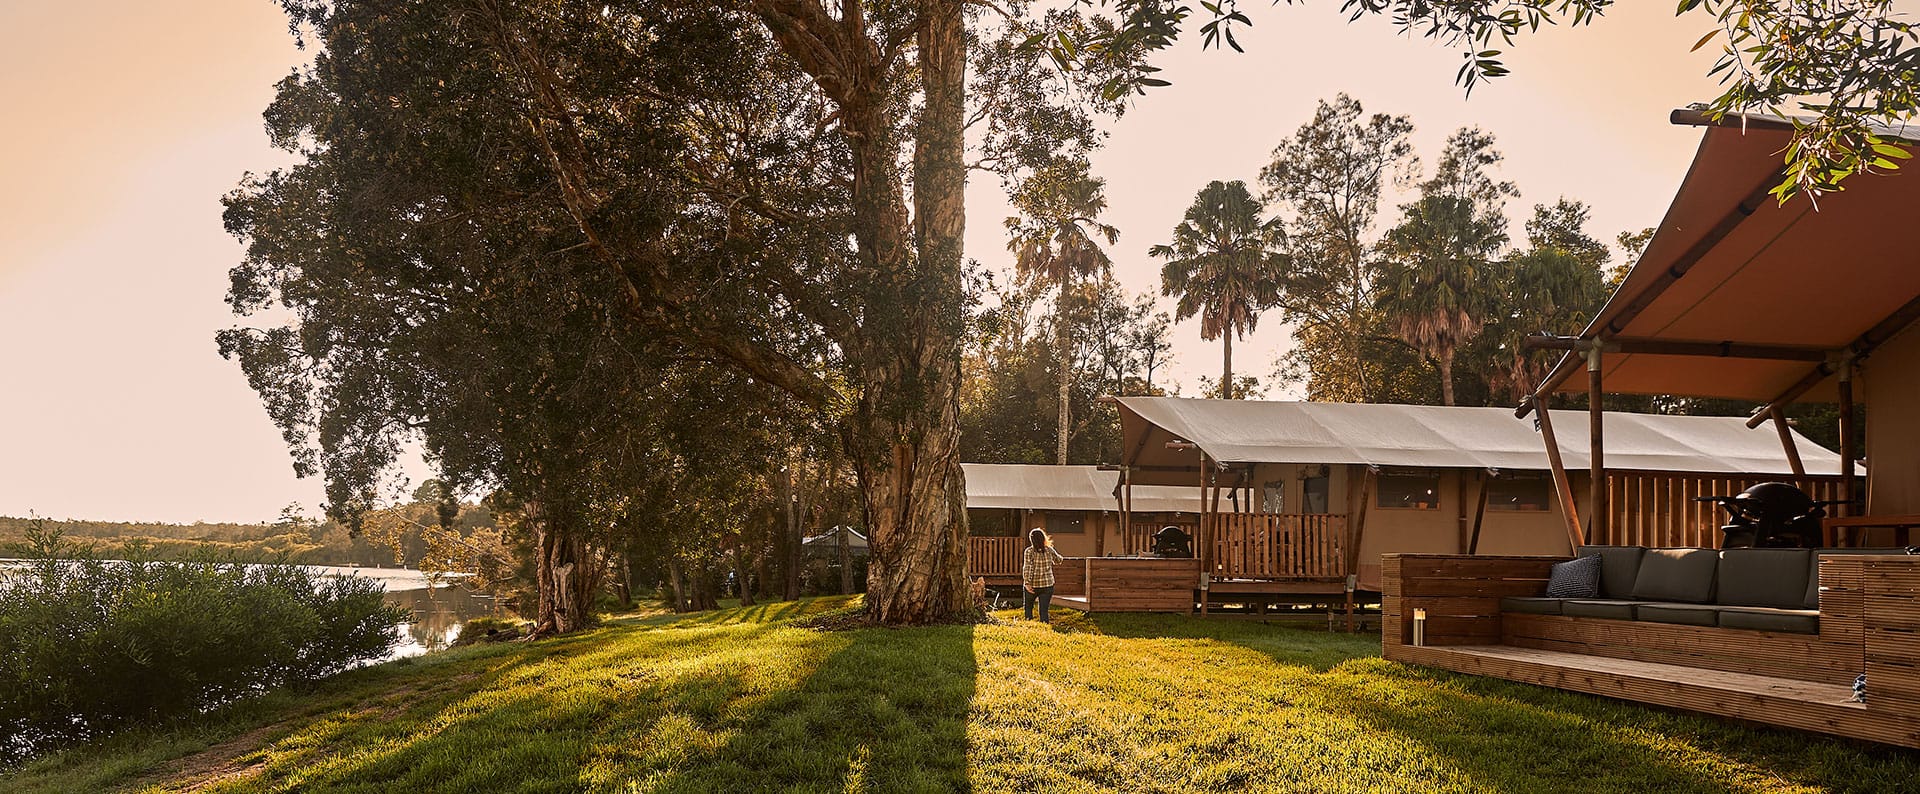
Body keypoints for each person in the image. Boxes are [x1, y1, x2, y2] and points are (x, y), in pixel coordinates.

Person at [1022, 527, 1065, 622]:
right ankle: (1044, 626)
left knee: (1028, 608)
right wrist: (1060, 557)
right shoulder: (1049, 550)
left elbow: (1027, 568)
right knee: (1044, 610)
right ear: (1043, 538)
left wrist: (1027, 583)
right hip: (1047, 585)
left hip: (1033, 585)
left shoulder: (1029, 551)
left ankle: (1028, 626)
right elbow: (1059, 560)